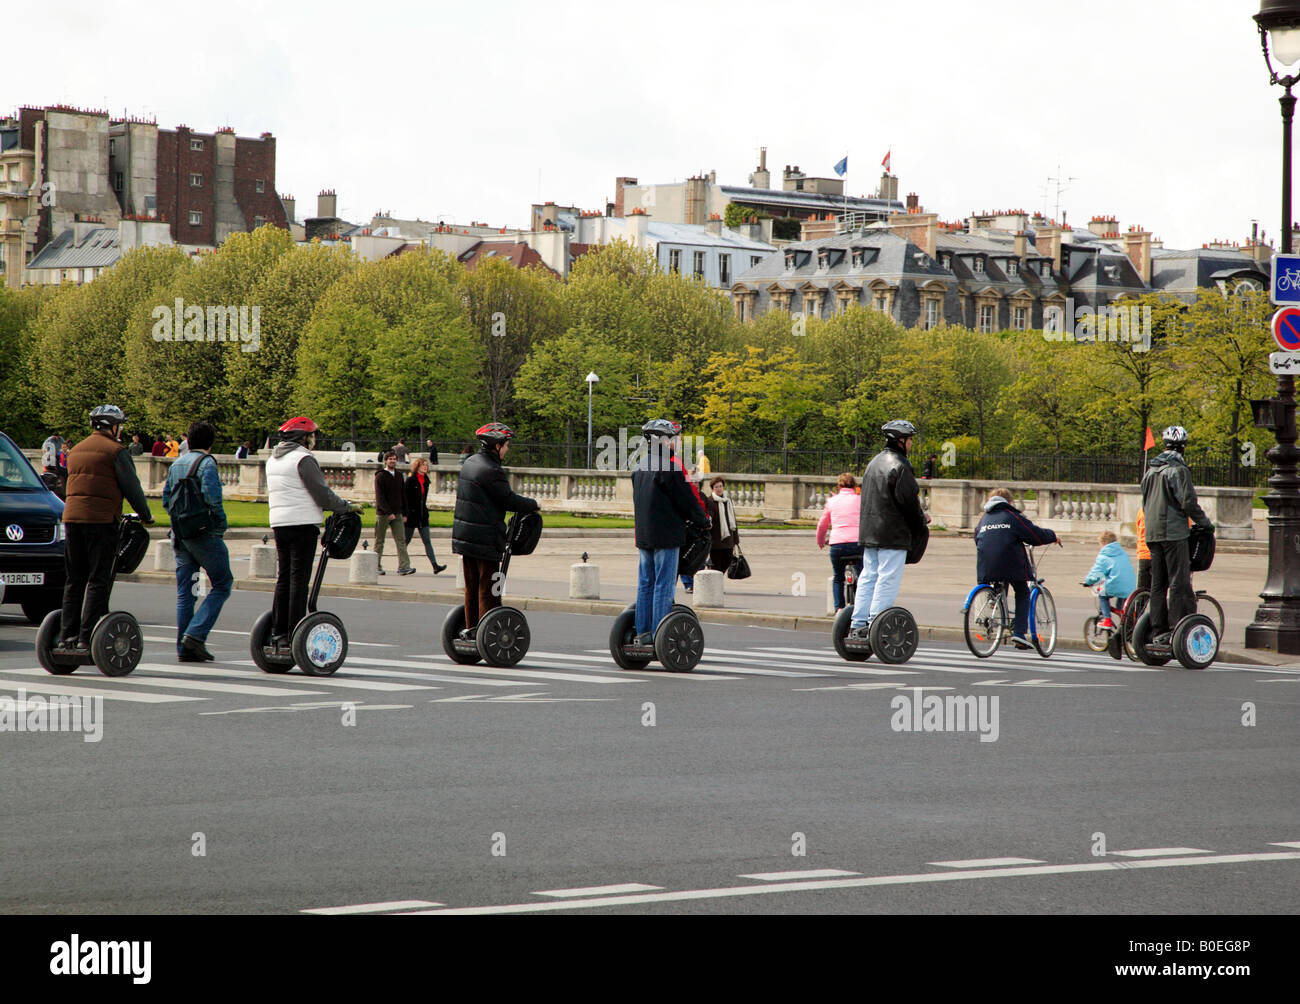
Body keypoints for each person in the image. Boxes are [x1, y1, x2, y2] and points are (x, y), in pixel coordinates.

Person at [54, 406, 154, 656]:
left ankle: (67, 636)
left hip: (72, 519)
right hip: (100, 521)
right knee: (98, 578)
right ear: (113, 426)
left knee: (74, 579)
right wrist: (145, 516)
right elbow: (132, 487)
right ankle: (86, 638)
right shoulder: (116, 451)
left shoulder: (75, 450)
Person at [265, 417, 357, 656]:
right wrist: (346, 506)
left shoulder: (273, 459)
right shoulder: (303, 458)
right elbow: (322, 494)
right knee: (299, 581)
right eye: (312, 435)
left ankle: (278, 632)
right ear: (303, 438)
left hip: (279, 524)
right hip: (302, 524)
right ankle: (294, 632)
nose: (314, 440)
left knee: (283, 579)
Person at [451, 423, 539, 639]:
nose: (507, 449)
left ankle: (471, 629)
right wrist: (533, 504)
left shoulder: (471, 463)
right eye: (506, 445)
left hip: (466, 536)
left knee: (471, 587)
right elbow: (507, 499)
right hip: (486, 539)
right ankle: (487, 635)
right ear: (496, 445)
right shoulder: (491, 470)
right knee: (489, 589)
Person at [848, 420, 930, 640]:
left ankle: (858, 622)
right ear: (900, 441)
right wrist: (921, 521)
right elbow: (908, 502)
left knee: (868, 576)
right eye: (910, 439)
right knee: (887, 578)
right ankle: (876, 621)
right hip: (892, 534)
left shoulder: (873, 463)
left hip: (870, 531)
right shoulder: (900, 465)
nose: (912, 443)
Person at [633, 419, 710, 645]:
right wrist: (703, 520)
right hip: (666, 537)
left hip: (645, 536)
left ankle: (643, 632)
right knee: (663, 585)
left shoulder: (639, 466)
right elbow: (687, 501)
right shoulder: (670, 468)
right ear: (664, 442)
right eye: (675, 438)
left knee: (645, 583)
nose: (678, 441)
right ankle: (660, 635)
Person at [162, 421, 231, 662]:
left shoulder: (177, 464)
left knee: (186, 593)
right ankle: (195, 634)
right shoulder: (207, 463)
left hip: (180, 536)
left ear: (188, 441)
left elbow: (166, 499)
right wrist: (220, 525)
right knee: (222, 583)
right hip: (203, 535)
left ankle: (184, 648)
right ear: (210, 443)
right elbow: (213, 498)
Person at [1141, 426, 1214, 646]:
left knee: (1157, 584)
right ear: (1183, 446)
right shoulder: (1178, 470)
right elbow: (1188, 502)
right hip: (1173, 533)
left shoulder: (1150, 471)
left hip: (1152, 534)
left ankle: (1157, 629)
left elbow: (1145, 502)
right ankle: (1176, 628)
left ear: (1165, 445)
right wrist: (1205, 524)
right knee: (1178, 581)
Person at [974, 488, 1060, 649]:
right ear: (1010, 502)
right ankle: (1019, 633)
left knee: (1000, 580)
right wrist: (1052, 536)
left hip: (986, 565)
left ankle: (995, 602)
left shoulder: (984, 519)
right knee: (1022, 592)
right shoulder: (1012, 516)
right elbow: (1034, 534)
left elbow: (976, 538)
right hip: (1011, 563)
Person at [817, 472, 864, 612]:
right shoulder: (861, 500)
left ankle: (839, 609)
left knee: (838, 577)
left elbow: (822, 525)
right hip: (857, 543)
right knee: (863, 576)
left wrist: (821, 541)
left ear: (838, 486)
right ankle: (862, 605)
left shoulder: (832, 501)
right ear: (855, 485)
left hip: (837, 544)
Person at [1083, 530, 1136, 630]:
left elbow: (1095, 574)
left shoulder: (1104, 556)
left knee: (1102, 595)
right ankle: (1125, 625)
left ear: (1103, 543)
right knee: (1122, 607)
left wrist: (1088, 582)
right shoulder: (1123, 553)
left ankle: (1107, 619)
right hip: (1130, 586)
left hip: (1116, 585)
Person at [404, 456, 447, 574]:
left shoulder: (426, 480)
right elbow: (405, 499)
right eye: (423, 465)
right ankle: (402, 565)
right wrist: (405, 514)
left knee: (427, 541)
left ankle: (435, 565)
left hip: (423, 515)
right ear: (417, 466)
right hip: (411, 515)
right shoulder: (410, 479)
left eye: (426, 465)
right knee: (405, 541)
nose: (425, 467)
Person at [374, 450, 413, 575]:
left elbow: (403, 495)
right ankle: (376, 565)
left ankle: (404, 566)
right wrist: (388, 512)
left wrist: (405, 513)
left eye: (394, 459)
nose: (392, 461)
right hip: (383, 513)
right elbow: (380, 497)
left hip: (397, 512)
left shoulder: (399, 475)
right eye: (390, 459)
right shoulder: (380, 476)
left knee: (401, 540)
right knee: (379, 541)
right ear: (386, 461)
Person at [703, 476, 739, 576]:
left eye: (720, 486)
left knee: (728, 560)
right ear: (712, 488)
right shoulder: (710, 501)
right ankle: (715, 583)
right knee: (716, 564)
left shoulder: (727, 501)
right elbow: (709, 519)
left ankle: (716, 580)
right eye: (716, 487)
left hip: (728, 539)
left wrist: (736, 539)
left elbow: (733, 521)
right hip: (716, 539)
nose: (719, 489)